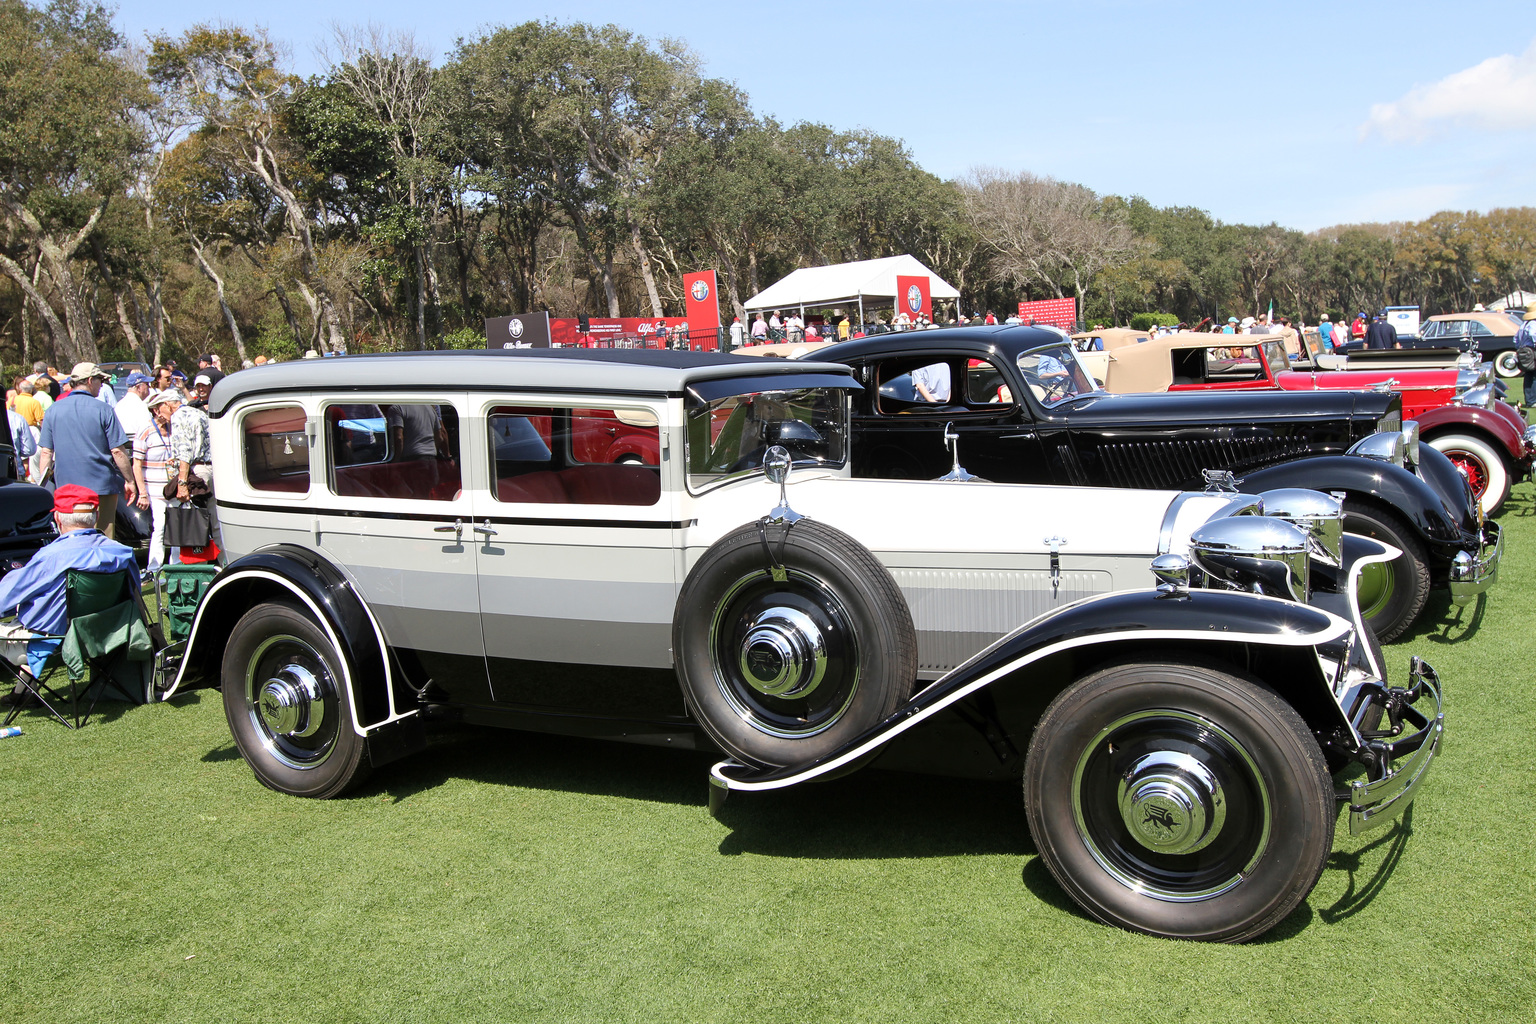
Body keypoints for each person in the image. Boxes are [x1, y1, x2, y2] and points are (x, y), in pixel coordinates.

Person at [0, 485, 137, 706]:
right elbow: (134, 595)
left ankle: (24, 692)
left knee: (36, 623)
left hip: (54, 639)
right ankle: (23, 692)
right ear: (97, 516)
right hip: (107, 633)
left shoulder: (52, 556)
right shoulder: (121, 552)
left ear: (57, 518)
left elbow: (5, 597)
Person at [37, 363, 136, 540]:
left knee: (69, 537)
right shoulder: (104, 409)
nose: (102, 385)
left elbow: (46, 452)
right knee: (102, 538)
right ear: (90, 381)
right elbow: (118, 451)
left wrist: (42, 487)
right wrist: (129, 480)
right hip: (101, 488)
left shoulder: (53, 410)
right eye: (100, 380)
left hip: (66, 488)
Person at [133, 389, 179, 573]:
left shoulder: (174, 428)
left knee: (176, 526)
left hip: (173, 486)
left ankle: (176, 566)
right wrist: (142, 493)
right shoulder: (145, 430)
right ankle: (154, 568)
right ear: (157, 410)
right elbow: (137, 464)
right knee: (160, 527)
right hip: (155, 488)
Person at [114, 371, 154, 440]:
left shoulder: (118, 405)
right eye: (147, 384)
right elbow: (149, 430)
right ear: (139, 387)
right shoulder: (141, 406)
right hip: (138, 445)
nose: (149, 387)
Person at [1515, 305, 1536, 411]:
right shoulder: (1533, 324)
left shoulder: (1523, 325)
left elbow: (1516, 339)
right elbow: (1534, 335)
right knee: (1533, 376)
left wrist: (1519, 348)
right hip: (1532, 351)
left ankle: (1530, 400)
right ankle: (1532, 401)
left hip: (1524, 351)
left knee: (1529, 375)